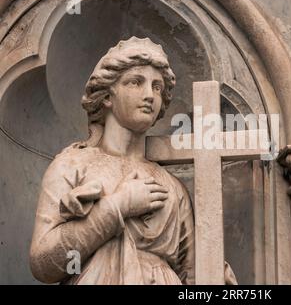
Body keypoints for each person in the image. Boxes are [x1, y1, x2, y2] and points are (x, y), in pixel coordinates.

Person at [29, 36, 236, 285]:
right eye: (136, 82)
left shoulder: (172, 187)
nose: (149, 94)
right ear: (107, 96)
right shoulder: (73, 165)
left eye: (157, 87)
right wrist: (118, 206)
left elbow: (191, 275)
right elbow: (44, 264)